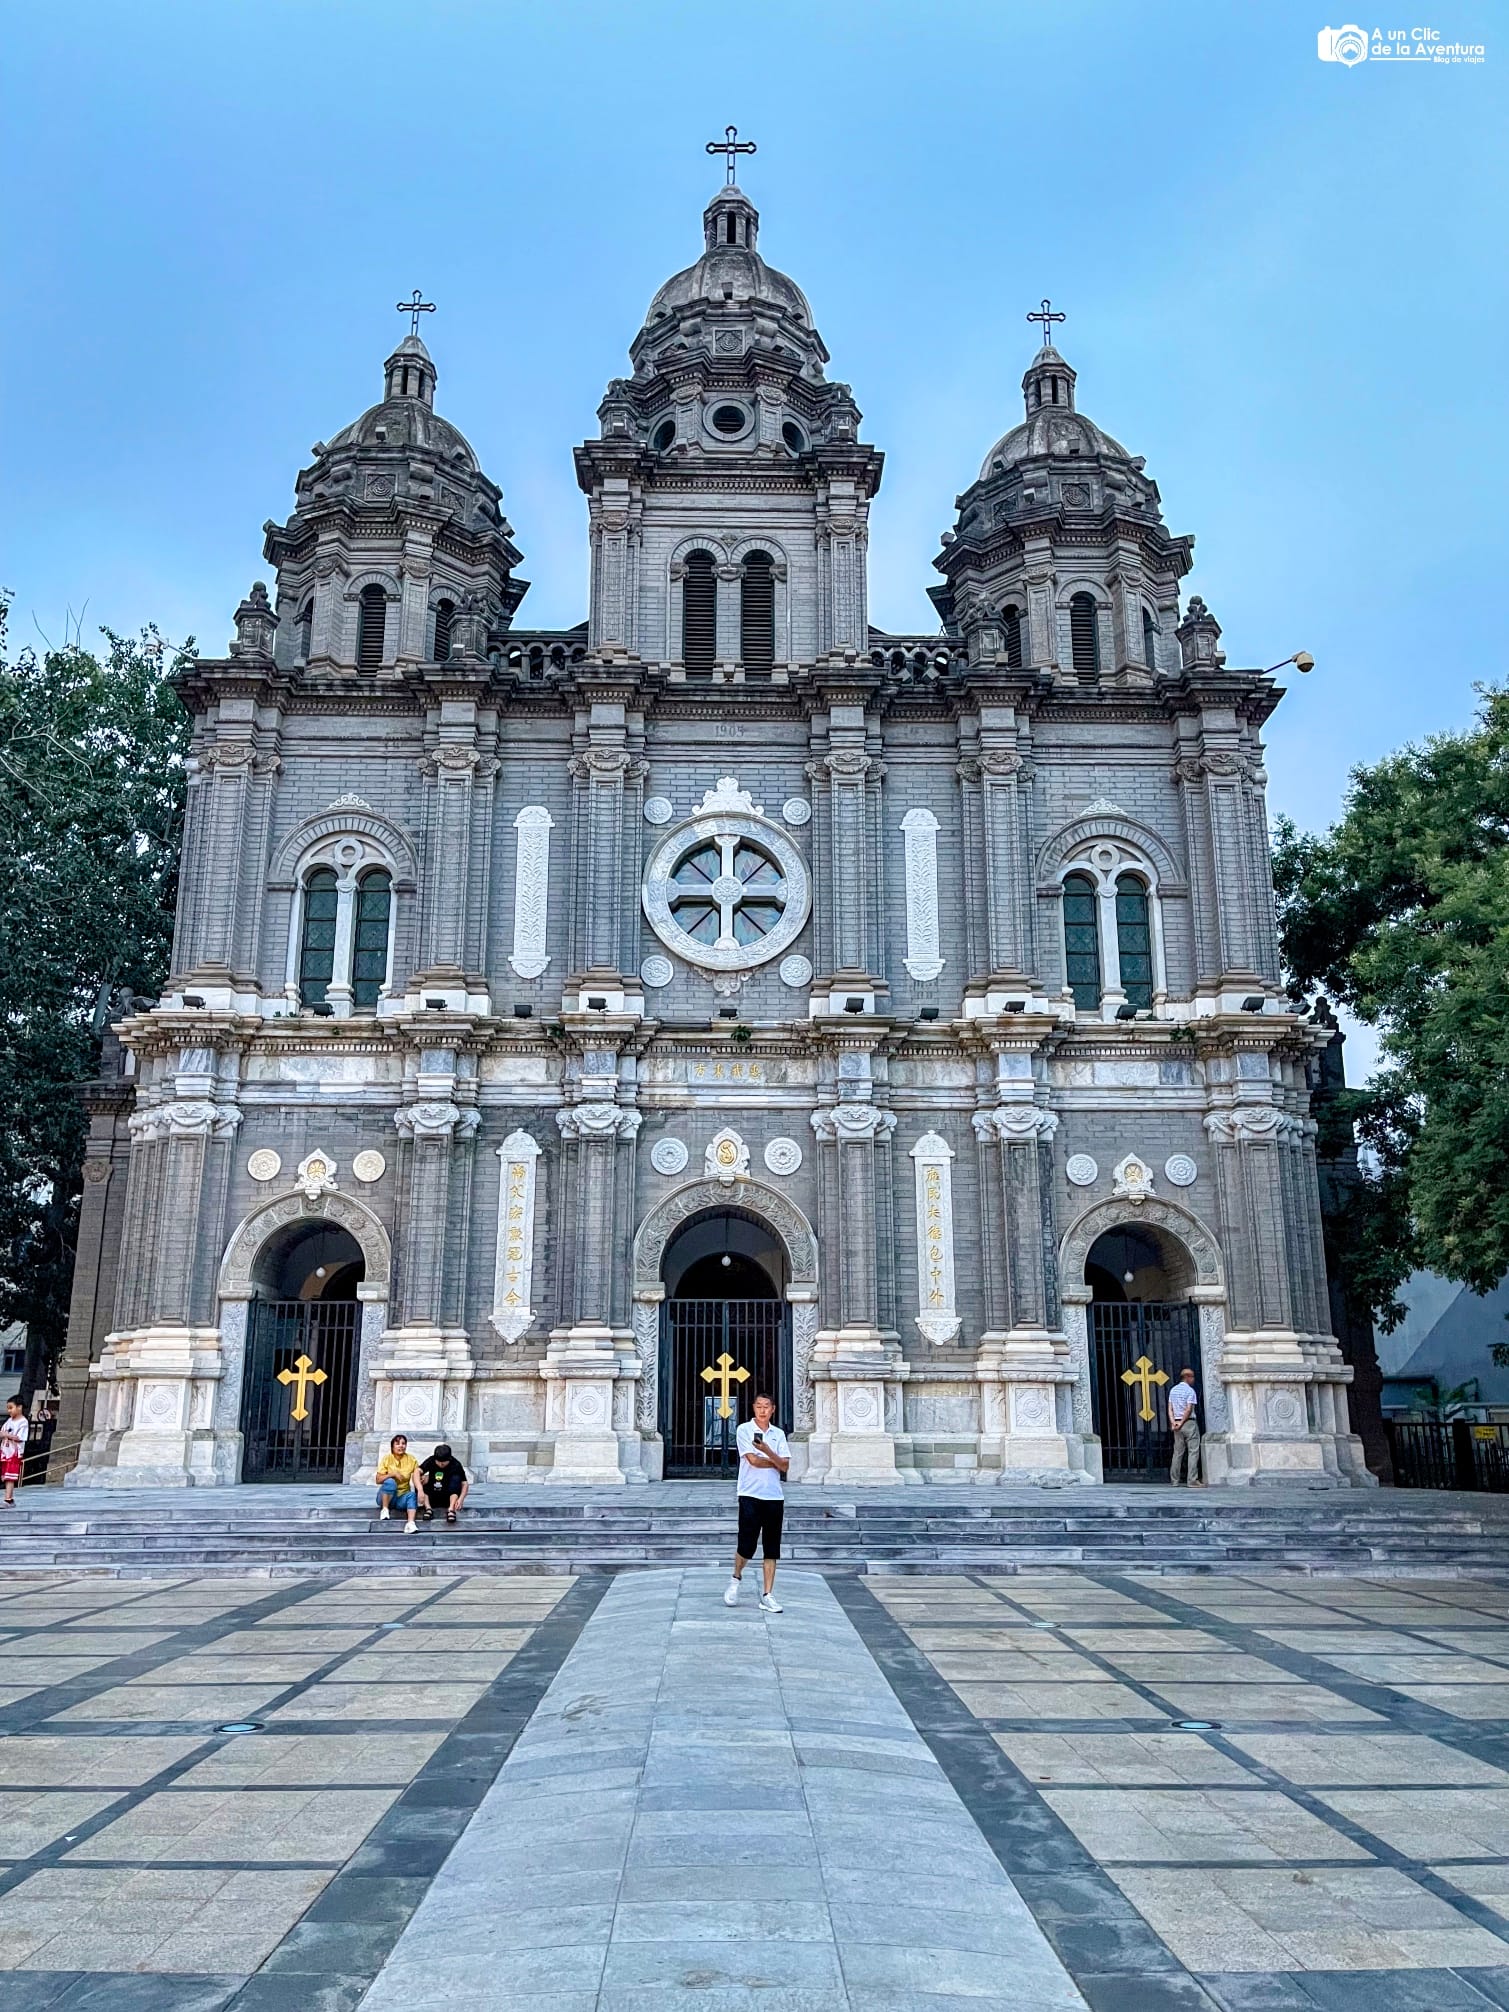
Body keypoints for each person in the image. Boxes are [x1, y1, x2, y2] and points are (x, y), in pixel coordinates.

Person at [724, 1392, 790, 1613]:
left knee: (772, 1548)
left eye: (766, 1406)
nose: (762, 1410)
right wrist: (775, 1460)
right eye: (759, 1406)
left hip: (774, 1496)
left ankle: (768, 1594)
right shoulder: (744, 1429)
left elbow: (786, 1467)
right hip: (750, 1494)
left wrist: (766, 1450)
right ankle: (736, 1578)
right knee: (747, 1544)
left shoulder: (778, 1434)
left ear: (773, 1409)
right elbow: (752, 1461)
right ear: (753, 1408)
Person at [374, 1434, 420, 1532]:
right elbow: (378, 1480)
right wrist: (392, 1474)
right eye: (397, 1443)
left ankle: (410, 1524)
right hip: (386, 1497)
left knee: (412, 1495)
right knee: (390, 1482)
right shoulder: (387, 1458)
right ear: (392, 1446)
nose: (401, 1446)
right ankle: (385, 1510)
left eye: (403, 1444)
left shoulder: (411, 1459)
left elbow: (417, 1475)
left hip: (401, 1497)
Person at [418, 1442, 469, 1524]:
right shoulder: (431, 1461)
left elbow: (464, 1483)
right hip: (432, 1495)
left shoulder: (456, 1464)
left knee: (456, 1479)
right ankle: (428, 1509)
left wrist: (461, 1499)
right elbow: (417, 1471)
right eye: (438, 1462)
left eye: (444, 1462)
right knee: (421, 1479)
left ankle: (451, 1510)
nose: (441, 1464)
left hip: (448, 1497)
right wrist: (420, 1489)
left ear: (449, 1459)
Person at [1168, 1367, 1202, 1486]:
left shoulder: (1173, 1390)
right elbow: (1188, 1409)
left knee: (1177, 1452)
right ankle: (1192, 1480)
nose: (1193, 1379)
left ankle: (1174, 1480)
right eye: (1192, 1377)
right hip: (1188, 1423)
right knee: (1193, 1451)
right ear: (1187, 1377)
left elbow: (1170, 1408)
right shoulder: (1190, 1391)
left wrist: (1174, 1423)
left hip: (1176, 1423)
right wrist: (1182, 1422)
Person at [1, 1398, 26, 1507]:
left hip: (14, 1454)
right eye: (8, 1408)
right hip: (4, 1451)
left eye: (11, 1408)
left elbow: (20, 1437)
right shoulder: (9, 1421)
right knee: (5, 1475)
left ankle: (9, 1499)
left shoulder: (23, 1422)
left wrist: (7, 1435)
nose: (9, 1411)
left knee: (10, 1476)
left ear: (19, 1407)